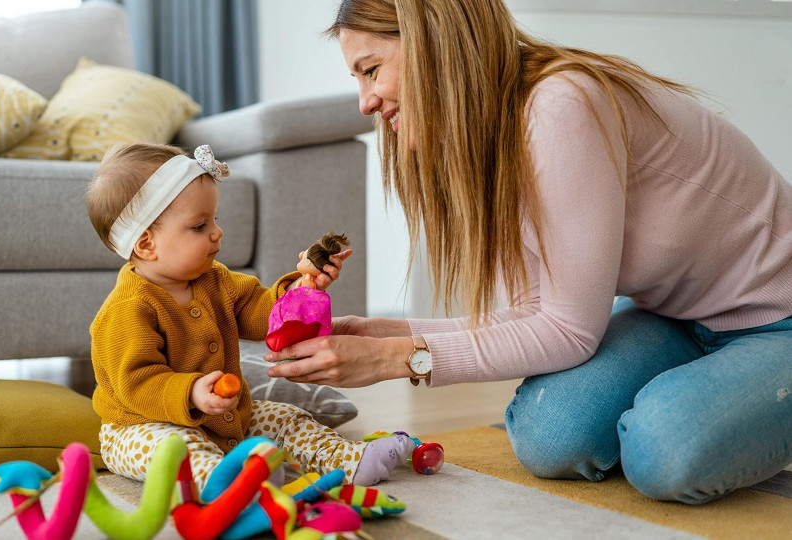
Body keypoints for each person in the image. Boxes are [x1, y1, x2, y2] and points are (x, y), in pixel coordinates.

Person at [264, 0, 792, 505]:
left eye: (371, 70)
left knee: (664, 451)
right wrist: (386, 333)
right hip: (676, 317)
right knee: (549, 435)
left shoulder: (561, 106)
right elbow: (539, 314)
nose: (365, 102)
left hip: (777, 320)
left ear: (432, 41)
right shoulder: (491, 137)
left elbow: (569, 332)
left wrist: (391, 360)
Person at [85, 142, 414, 492]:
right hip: (141, 428)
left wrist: (303, 287)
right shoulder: (127, 309)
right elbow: (137, 384)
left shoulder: (217, 279)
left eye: (215, 219)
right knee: (177, 450)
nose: (217, 232)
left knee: (288, 419)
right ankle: (232, 488)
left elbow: (263, 313)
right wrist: (192, 391)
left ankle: (350, 460)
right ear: (146, 244)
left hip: (223, 418)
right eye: (199, 226)